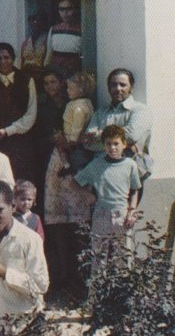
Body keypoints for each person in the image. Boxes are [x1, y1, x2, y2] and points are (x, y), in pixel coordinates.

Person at [39, 69, 92, 299]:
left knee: (80, 221)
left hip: (73, 160)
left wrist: (67, 143)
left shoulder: (76, 105)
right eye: (46, 83)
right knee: (59, 221)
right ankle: (64, 275)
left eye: (55, 81)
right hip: (59, 161)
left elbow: (74, 136)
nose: (51, 86)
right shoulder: (48, 107)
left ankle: (82, 278)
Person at [0, 180, 48, 333]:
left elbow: (41, 285)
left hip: (28, 321)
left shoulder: (30, 239)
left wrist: (5, 273)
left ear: (13, 207)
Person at [73, 125, 141, 267]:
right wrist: (89, 196)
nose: (112, 148)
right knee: (98, 258)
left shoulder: (130, 165)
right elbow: (77, 182)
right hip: (101, 214)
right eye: (108, 144)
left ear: (124, 144)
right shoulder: (97, 165)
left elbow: (135, 189)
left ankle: (122, 288)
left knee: (123, 258)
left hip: (122, 215)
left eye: (116, 144)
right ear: (103, 146)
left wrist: (132, 211)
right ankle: (97, 289)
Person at [83, 68, 153, 200]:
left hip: (127, 176)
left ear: (131, 87)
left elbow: (131, 135)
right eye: (113, 85)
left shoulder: (140, 110)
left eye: (123, 84)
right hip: (102, 176)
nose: (118, 88)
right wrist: (122, 143)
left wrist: (99, 134)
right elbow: (87, 142)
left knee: (126, 216)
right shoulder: (101, 113)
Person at [0, 43, 37, 180]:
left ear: (13, 58)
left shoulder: (26, 80)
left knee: (20, 178)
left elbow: (31, 114)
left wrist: (9, 130)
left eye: (6, 57)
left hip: (21, 141)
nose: (3, 61)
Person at [61, 72, 96, 174]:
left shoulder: (78, 107)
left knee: (75, 163)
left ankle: (69, 168)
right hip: (75, 140)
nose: (68, 91)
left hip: (75, 142)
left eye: (71, 89)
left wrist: (72, 140)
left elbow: (77, 125)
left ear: (81, 91)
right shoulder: (85, 102)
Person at [43, 0, 82, 78]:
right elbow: (49, 53)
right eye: (62, 9)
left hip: (74, 75)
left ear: (74, 10)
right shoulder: (54, 29)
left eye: (68, 9)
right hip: (57, 75)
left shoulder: (81, 30)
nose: (65, 13)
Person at [19, 12, 48, 85]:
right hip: (26, 76)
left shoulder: (47, 40)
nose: (35, 24)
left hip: (40, 76)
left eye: (38, 21)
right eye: (33, 21)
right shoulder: (26, 42)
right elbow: (21, 62)